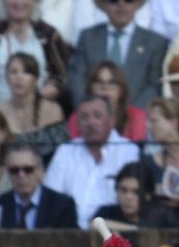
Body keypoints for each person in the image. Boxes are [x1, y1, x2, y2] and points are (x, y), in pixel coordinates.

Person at [69, 0, 168, 108]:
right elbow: (77, 80)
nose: (121, 4)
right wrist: (91, 111)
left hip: (138, 117)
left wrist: (130, 115)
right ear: (105, 5)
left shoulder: (155, 43)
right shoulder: (87, 37)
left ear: (136, 4)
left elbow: (153, 86)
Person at [46, 95, 140, 228]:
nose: (90, 122)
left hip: (113, 230)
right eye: (84, 117)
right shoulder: (65, 151)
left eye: (97, 116)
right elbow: (50, 198)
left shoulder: (129, 151)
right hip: (68, 231)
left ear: (112, 120)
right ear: (77, 123)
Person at [69, 59, 146, 141]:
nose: (105, 88)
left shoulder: (136, 116)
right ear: (90, 89)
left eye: (112, 83)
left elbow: (137, 147)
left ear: (121, 90)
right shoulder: (77, 117)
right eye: (99, 83)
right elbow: (75, 146)